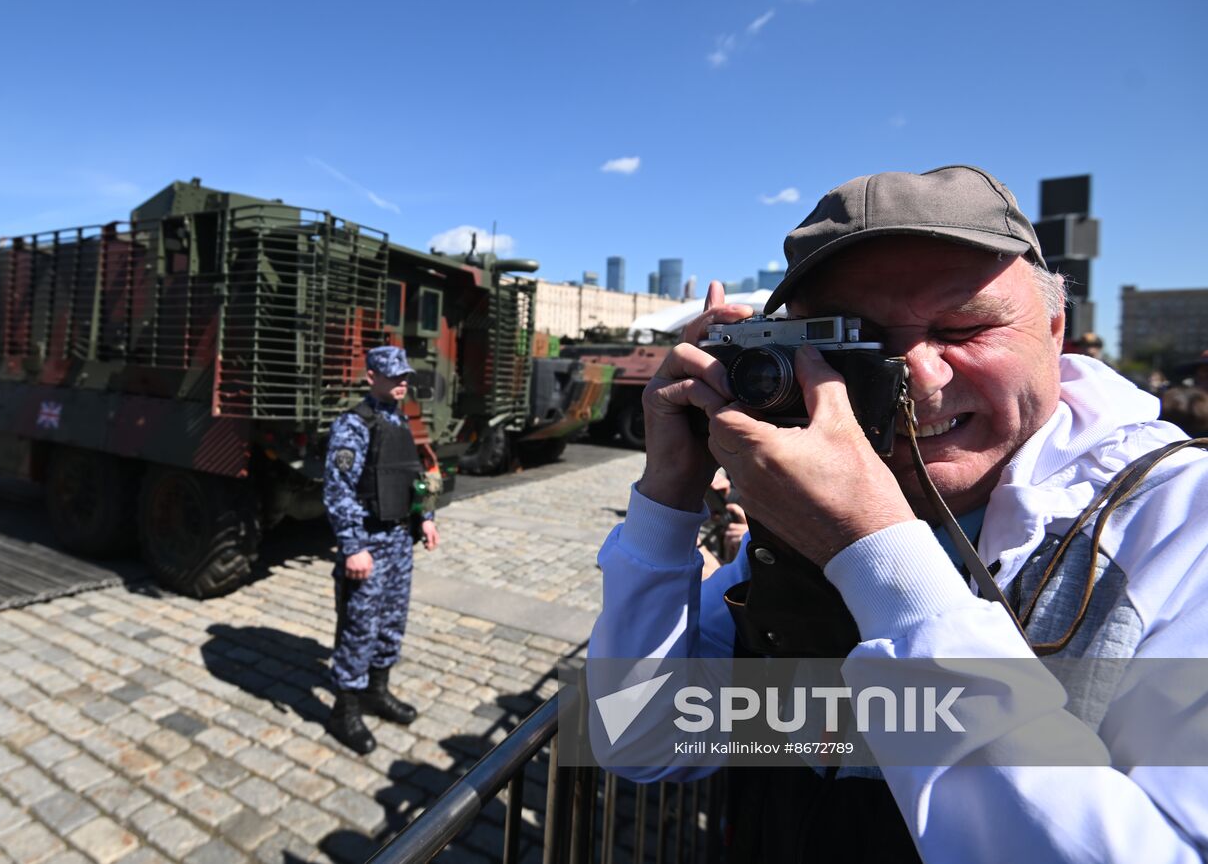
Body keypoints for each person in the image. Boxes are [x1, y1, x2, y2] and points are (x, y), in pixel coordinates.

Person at [590, 165, 1208, 862]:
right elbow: (642, 735)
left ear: (1056, 330)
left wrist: (877, 553)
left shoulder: (1179, 522)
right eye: (861, 340)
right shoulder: (801, 518)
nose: (919, 376)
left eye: (963, 327)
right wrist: (668, 493)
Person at [322, 345, 441, 754]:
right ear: (371, 376)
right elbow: (338, 490)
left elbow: (418, 475)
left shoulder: (401, 421)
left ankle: (378, 690)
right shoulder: (352, 426)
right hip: (369, 544)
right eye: (394, 376)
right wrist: (353, 546)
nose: (402, 382)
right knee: (359, 627)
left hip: (398, 543)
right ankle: (345, 709)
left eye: (405, 375)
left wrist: (426, 516)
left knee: (391, 622)